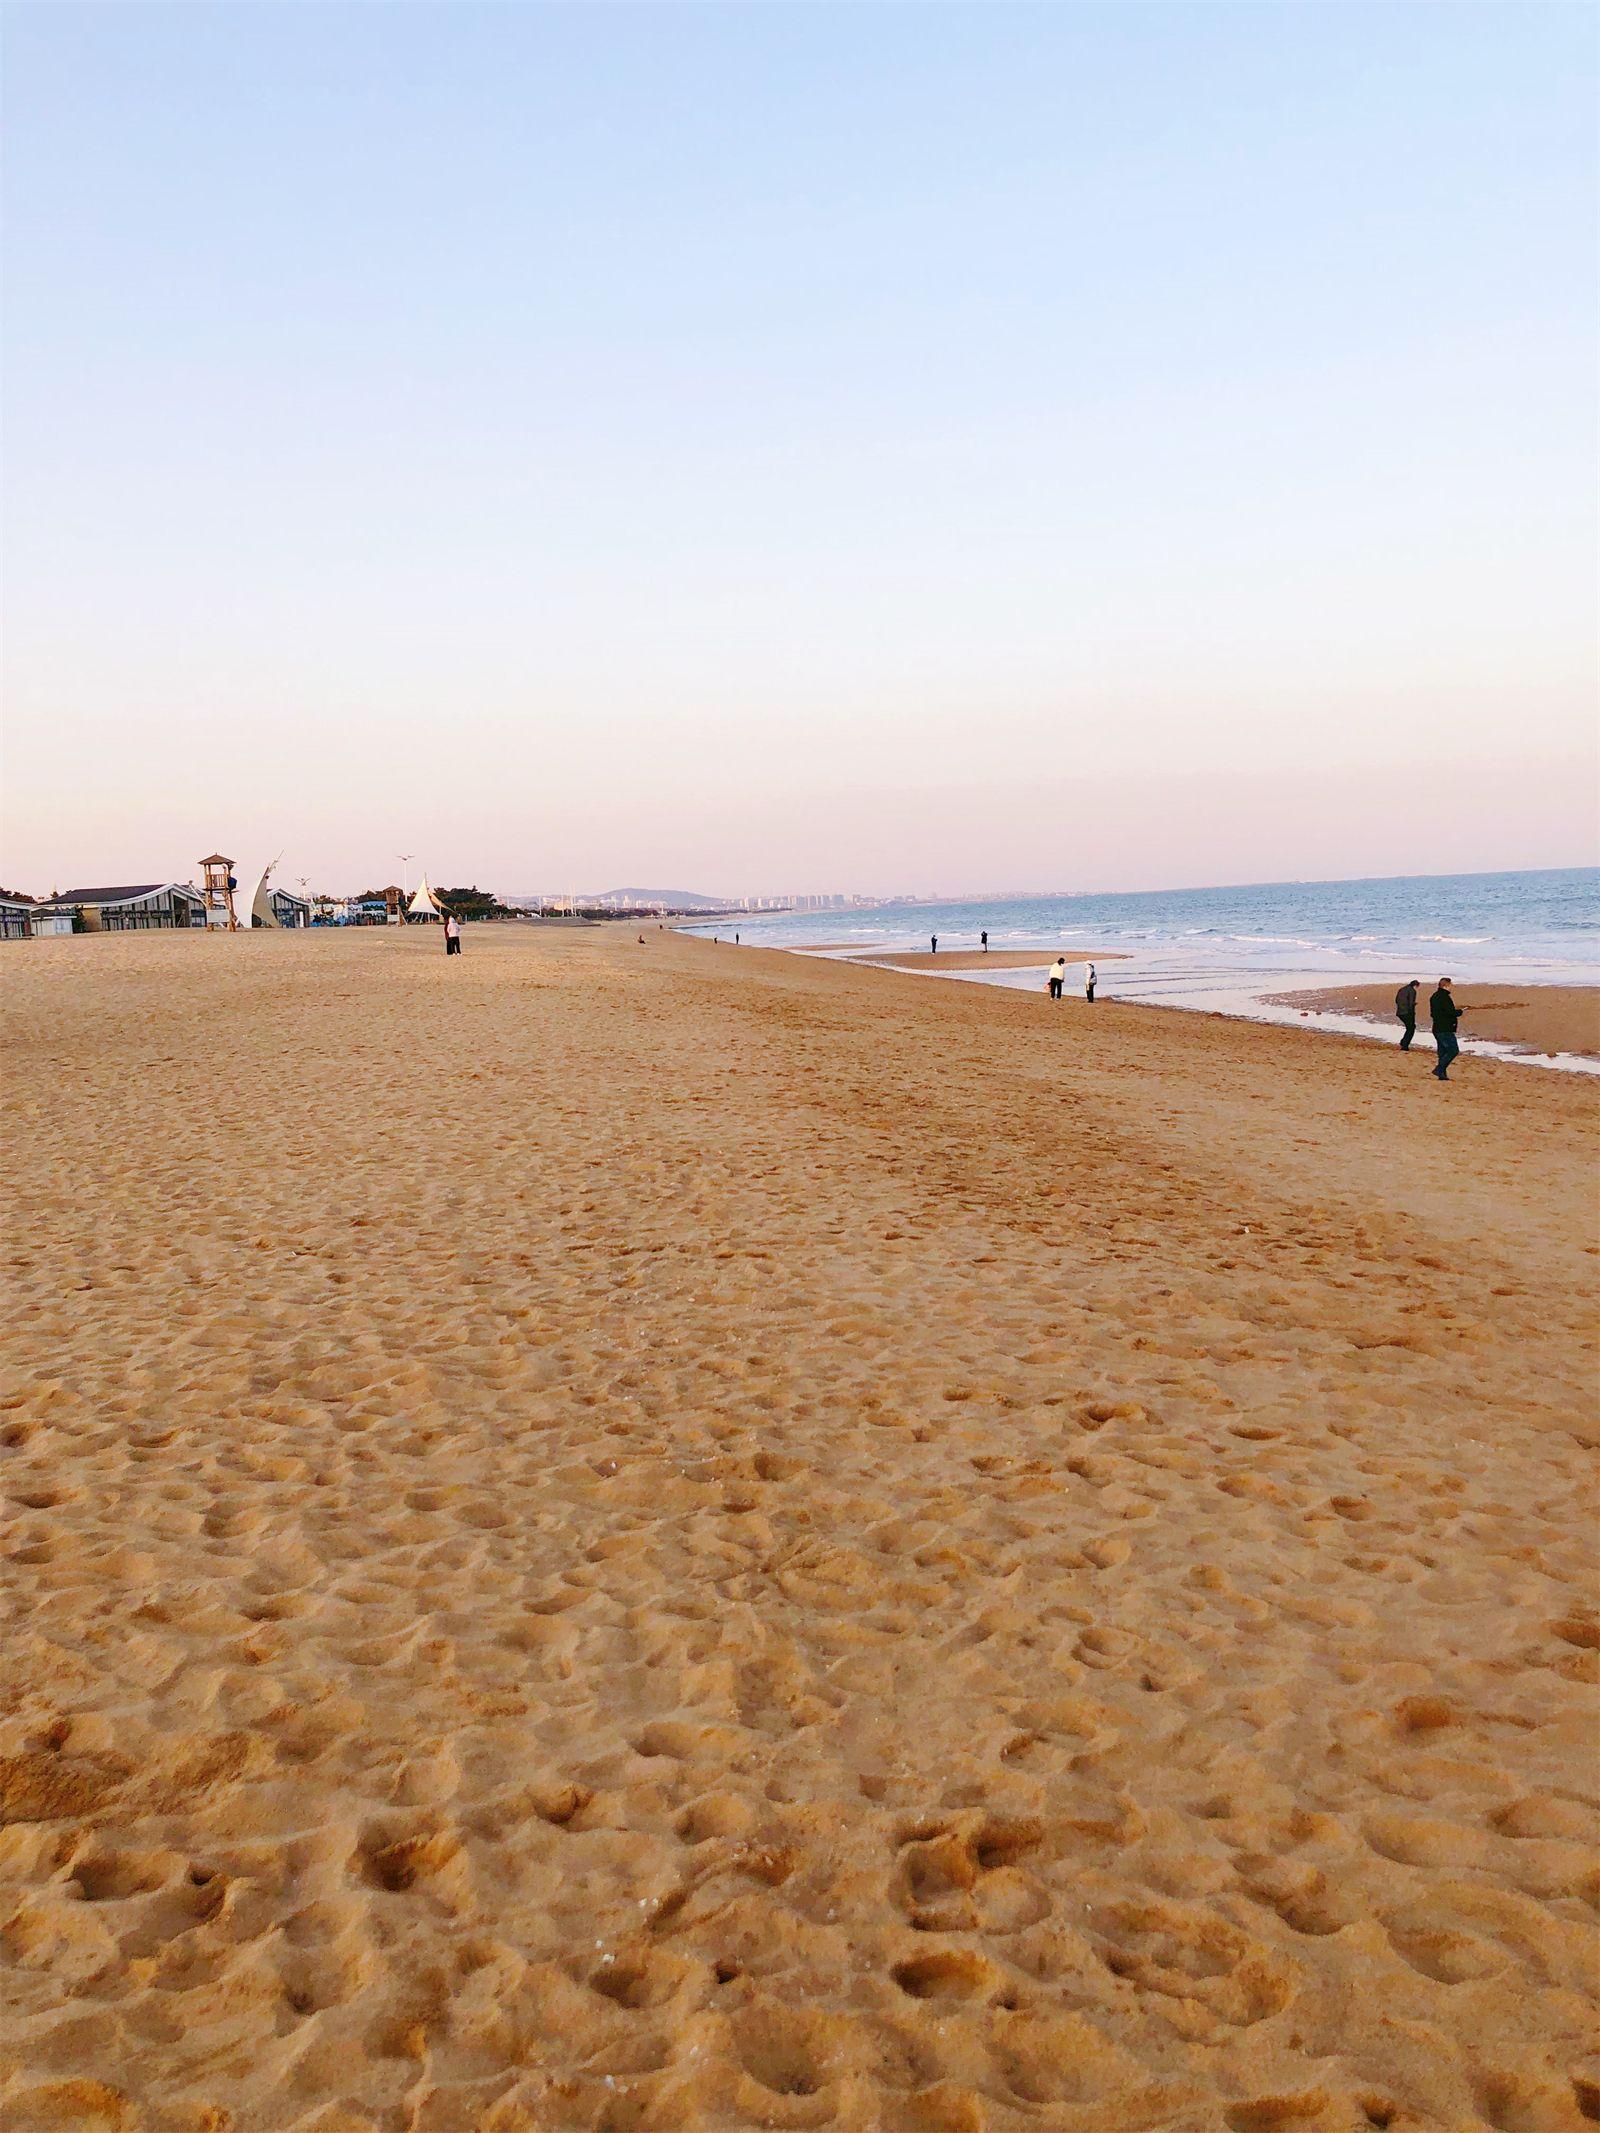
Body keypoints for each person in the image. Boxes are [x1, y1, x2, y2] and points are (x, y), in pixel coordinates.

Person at [1429, 978, 1466, 1079]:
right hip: (1445, 1028)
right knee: (1453, 1050)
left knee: (1442, 1052)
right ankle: (1439, 1069)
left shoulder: (1434, 996)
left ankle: (1442, 1075)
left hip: (1437, 1027)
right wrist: (1459, 1012)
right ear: (1445, 986)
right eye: (1450, 986)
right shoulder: (1444, 997)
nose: (1451, 988)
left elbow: (1435, 1013)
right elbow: (1449, 1012)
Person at [1395, 979, 1420, 1049]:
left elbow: (1396, 1000)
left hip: (1400, 1012)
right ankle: (1405, 1045)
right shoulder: (1412, 991)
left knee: (1409, 1027)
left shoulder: (1402, 989)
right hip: (1407, 1012)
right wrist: (1412, 1012)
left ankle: (1403, 1042)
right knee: (1411, 1028)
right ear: (1415, 986)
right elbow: (1410, 1003)